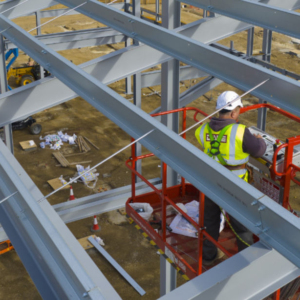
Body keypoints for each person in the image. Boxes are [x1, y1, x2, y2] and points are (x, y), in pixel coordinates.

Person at [195, 90, 267, 264]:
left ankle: (208, 257)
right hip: (235, 186)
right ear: (234, 112)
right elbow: (259, 150)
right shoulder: (240, 131)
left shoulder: (202, 128)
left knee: (210, 221)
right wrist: (260, 139)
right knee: (242, 227)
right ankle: (247, 263)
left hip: (211, 182)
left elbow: (207, 141)